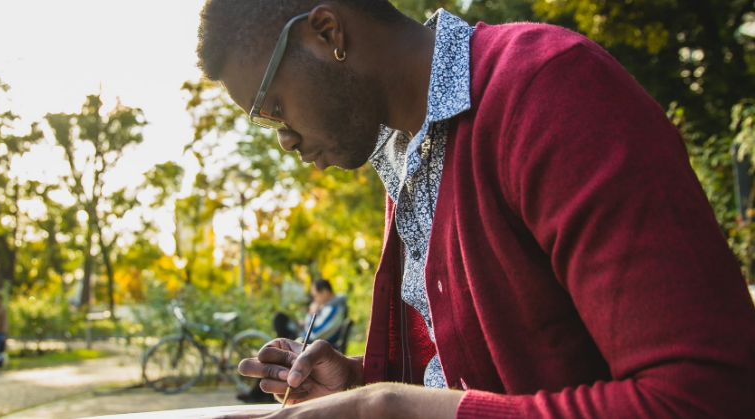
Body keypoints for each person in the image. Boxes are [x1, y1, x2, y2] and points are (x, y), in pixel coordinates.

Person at [195, 1, 755, 418]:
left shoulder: (548, 91)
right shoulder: (404, 158)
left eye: (273, 109)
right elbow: (486, 372)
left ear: (327, 33)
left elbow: (708, 397)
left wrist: (390, 408)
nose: (285, 142)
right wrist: (360, 386)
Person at [274, 279, 348, 346]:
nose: (315, 300)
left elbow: (313, 333)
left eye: (315, 296)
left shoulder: (334, 309)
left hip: (310, 343)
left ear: (324, 292)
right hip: (309, 339)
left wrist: (312, 313)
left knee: (280, 319)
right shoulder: (329, 306)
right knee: (281, 317)